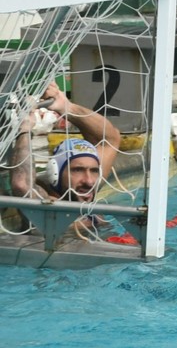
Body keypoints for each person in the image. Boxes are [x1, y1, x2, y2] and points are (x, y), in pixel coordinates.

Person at [4, 82, 121, 236]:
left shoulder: (86, 191)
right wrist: (24, 130)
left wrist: (66, 107)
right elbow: (22, 186)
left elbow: (109, 139)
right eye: (77, 170)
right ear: (55, 173)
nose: (89, 181)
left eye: (94, 170)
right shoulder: (49, 207)